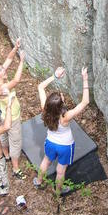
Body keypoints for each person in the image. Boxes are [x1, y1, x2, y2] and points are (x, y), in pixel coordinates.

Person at [33, 67, 89, 196]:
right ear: (61, 105)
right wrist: (85, 79)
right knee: (60, 170)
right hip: (65, 147)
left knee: (46, 161)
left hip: (51, 142)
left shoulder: (45, 110)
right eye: (61, 97)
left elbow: (41, 87)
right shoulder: (66, 116)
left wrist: (55, 76)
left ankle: (39, 181)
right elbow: (85, 102)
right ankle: (58, 191)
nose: (62, 95)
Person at [0, 39, 27, 180]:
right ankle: (15, 168)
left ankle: (6, 155)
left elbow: (8, 59)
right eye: (1, 69)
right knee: (15, 140)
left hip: (2, 114)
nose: (4, 68)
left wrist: (15, 48)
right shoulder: (2, 87)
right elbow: (16, 81)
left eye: (2, 68)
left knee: (3, 134)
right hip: (11, 116)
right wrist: (21, 62)